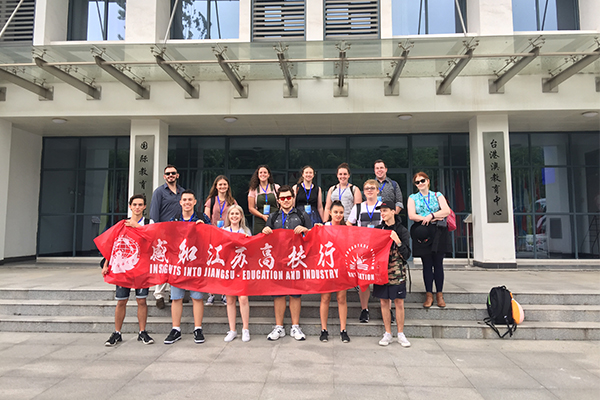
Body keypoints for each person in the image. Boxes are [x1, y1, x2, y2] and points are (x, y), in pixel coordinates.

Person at [262, 185, 313, 341]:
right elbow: (263, 239)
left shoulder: (302, 214)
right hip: (278, 262)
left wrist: (305, 230)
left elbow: (313, 236)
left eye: (288, 197)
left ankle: (295, 326)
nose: (285, 201)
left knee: (295, 294)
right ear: (278, 200)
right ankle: (279, 327)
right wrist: (265, 232)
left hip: (296, 261)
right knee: (278, 295)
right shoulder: (272, 217)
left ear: (293, 198)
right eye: (282, 198)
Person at [103, 194, 154, 346]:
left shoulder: (148, 222)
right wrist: (106, 264)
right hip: (123, 267)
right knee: (121, 301)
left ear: (145, 207)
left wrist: (136, 226)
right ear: (130, 206)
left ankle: (142, 332)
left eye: (140, 205)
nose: (137, 207)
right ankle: (117, 332)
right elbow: (113, 245)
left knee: (142, 300)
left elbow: (153, 238)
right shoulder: (122, 224)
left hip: (142, 268)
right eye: (135, 204)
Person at [164, 190, 211, 345]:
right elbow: (165, 239)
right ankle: (175, 329)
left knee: (197, 298)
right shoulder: (173, 220)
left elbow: (212, 237)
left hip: (196, 265)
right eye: (184, 200)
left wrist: (204, 228)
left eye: (190, 199)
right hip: (178, 266)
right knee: (176, 298)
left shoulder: (203, 218)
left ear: (195, 202)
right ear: (180, 202)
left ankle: (198, 328)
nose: (187, 202)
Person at [407, 172, 451, 309]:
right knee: (427, 264)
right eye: (417, 182)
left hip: (438, 232)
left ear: (428, 181)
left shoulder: (437, 195)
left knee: (438, 263)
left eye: (422, 180)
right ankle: (429, 295)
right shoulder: (413, 198)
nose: (420, 183)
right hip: (423, 232)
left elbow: (446, 211)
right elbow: (412, 215)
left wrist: (430, 215)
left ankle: (439, 294)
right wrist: (428, 218)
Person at [374, 202, 412, 347]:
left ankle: (401, 333)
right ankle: (388, 333)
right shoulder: (378, 229)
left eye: (385, 211)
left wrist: (398, 241)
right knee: (384, 301)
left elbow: (407, 254)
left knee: (399, 302)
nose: (382, 213)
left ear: (393, 212)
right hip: (381, 272)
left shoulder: (402, 230)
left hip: (397, 273)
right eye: (381, 211)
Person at [346, 179, 382, 323]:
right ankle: (364, 309)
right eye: (367, 188)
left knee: (382, 279)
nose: (369, 190)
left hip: (380, 248)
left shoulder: (383, 206)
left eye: (372, 188)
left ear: (378, 191)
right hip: (363, 249)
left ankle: (387, 309)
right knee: (363, 281)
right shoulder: (358, 207)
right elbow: (349, 224)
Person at [149, 165, 185, 309]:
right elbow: (154, 213)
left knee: (178, 263)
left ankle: (174, 293)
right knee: (164, 264)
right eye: (168, 173)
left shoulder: (182, 192)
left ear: (177, 175)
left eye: (173, 173)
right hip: (163, 234)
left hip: (180, 233)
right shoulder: (159, 192)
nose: (170, 175)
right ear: (164, 176)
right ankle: (159, 295)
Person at [318, 201, 350, 343]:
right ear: (330, 212)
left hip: (342, 268)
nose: (338, 215)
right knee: (325, 298)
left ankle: (343, 330)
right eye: (335, 212)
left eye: (341, 213)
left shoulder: (347, 228)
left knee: (341, 299)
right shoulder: (323, 227)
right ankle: (324, 329)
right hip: (327, 268)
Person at [204, 175, 238, 306]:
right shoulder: (211, 201)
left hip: (227, 236)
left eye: (225, 184)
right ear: (216, 186)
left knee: (226, 264)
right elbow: (206, 218)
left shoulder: (232, 201)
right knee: (212, 264)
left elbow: (237, 215)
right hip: (213, 236)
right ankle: (211, 294)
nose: (222, 187)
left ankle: (224, 293)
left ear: (228, 186)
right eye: (220, 185)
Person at [221, 205, 252, 342]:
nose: (234, 216)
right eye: (232, 213)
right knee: (230, 299)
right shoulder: (223, 231)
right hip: (228, 269)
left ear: (241, 216)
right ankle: (232, 330)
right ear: (228, 216)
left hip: (242, 269)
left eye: (237, 213)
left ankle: (245, 329)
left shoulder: (246, 231)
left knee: (243, 298)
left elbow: (251, 250)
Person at [248, 165, 280, 235]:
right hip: (259, 220)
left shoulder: (276, 187)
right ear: (258, 175)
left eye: (265, 172)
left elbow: (282, 203)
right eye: (261, 172)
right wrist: (262, 216)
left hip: (275, 218)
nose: (263, 174)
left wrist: (279, 215)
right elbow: (251, 208)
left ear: (268, 175)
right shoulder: (253, 189)